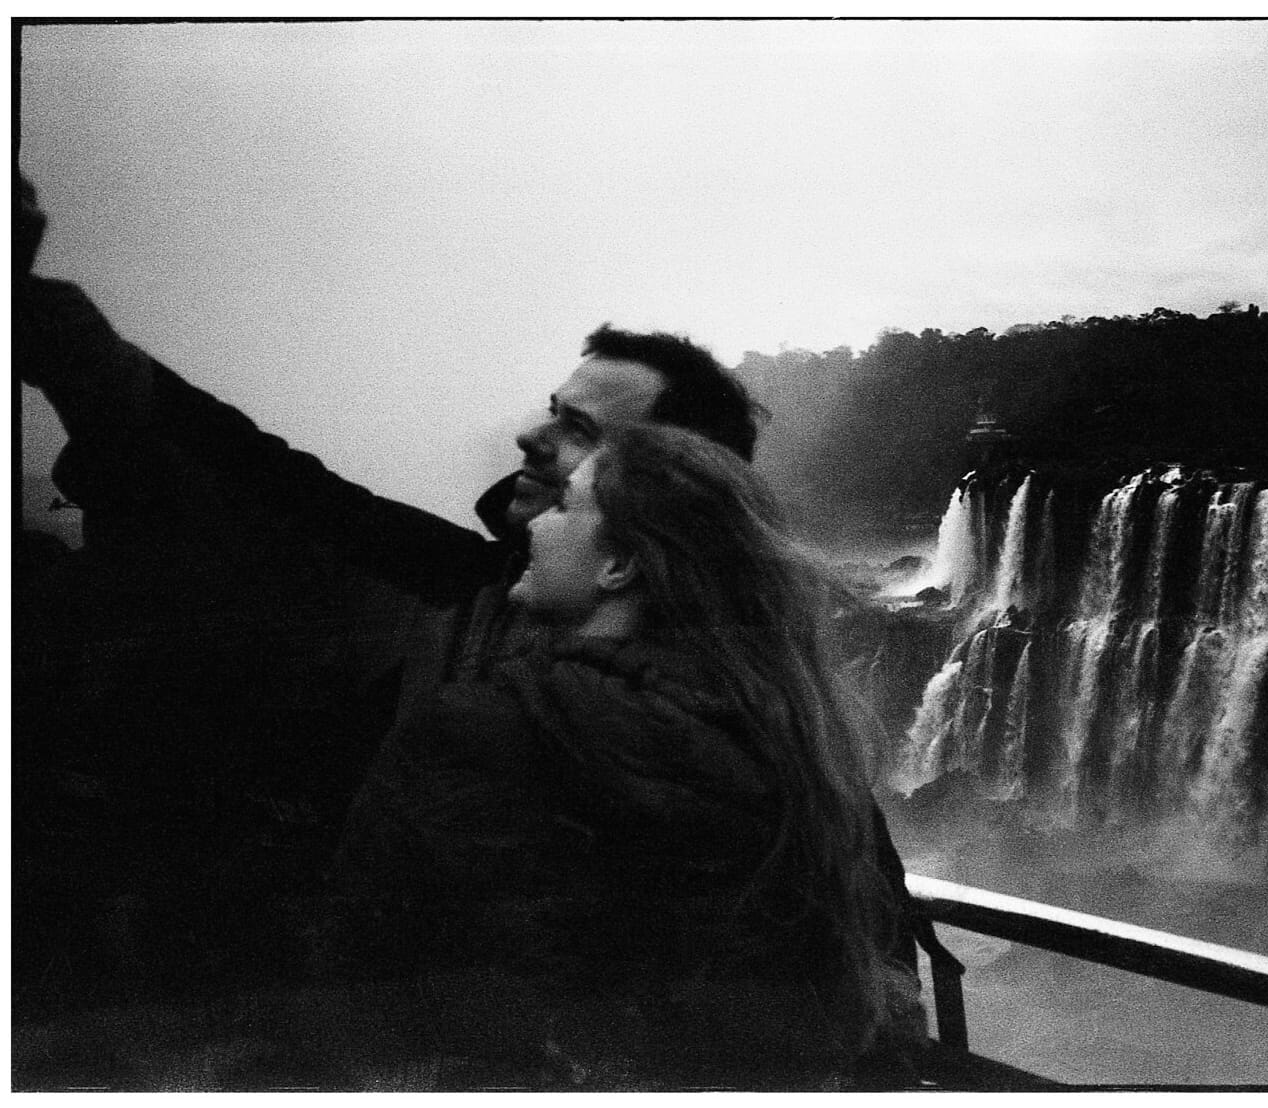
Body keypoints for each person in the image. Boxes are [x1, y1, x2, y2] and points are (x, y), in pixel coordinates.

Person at [12, 179, 922, 1032]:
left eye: (579, 432)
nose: (530, 434)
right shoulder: (486, 595)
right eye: (551, 407)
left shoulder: (757, 719)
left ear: (661, 486)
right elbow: (279, 481)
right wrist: (80, 351)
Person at [311, 424, 925, 1089]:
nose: (537, 526)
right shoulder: (805, 752)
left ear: (618, 566)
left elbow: (360, 980)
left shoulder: (478, 729)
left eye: (564, 506)